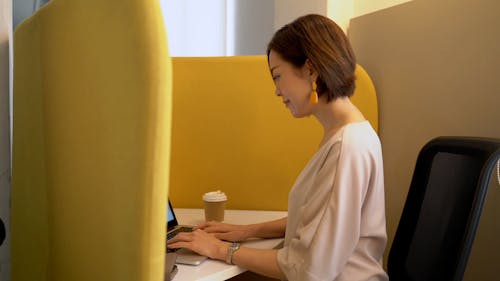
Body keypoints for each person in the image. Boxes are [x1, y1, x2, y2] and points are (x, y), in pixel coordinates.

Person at [168, 14, 388, 281]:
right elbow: (317, 220)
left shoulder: (346, 147)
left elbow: (307, 269)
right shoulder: (349, 134)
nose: (276, 91)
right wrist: (247, 231)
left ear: (310, 70)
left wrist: (220, 249)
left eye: (278, 76)